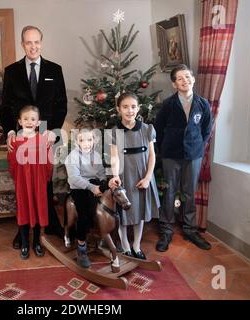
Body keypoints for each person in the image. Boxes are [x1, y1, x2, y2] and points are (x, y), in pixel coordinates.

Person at [0, 25, 68, 249]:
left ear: (42, 42)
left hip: (46, 131)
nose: (33, 46)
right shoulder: (11, 71)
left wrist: (53, 130)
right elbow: (5, 107)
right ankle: (24, 230)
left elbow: (61, 105)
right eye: (28, 42)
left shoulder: (55, 70)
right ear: (22, 45)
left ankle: (49, 224)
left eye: (36, 41)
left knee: (45, 182)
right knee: (24, 185)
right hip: (22, 133)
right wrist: (11, 131)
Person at [154, 64, 212, 252]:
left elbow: (206, 130)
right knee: (170, 191)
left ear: (193, 79)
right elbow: (158, 128)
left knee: (189, 192)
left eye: (187, 77)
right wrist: (164, 148)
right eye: (180, 78)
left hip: (193, 155)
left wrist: (197, 147)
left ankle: (190, 229)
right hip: (171, 154)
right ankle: (166, 229)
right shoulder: (168, 104)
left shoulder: (203, 104)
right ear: (174, 84)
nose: (185, 80)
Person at [109, 93, 160, 260]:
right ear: (119, 109)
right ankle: (124, 245)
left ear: (138, 108)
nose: (129, 110)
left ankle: (136, 245)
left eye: (133, 107)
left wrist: (147, 178)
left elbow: (152, 156)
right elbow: (114, 156)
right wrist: (115, 175)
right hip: (124, 176)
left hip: (142, 177)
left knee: (140, 212)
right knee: (123, 213)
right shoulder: (115, 132)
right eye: (125, 107)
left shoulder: (147, 129)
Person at [7, 105, 54, 260]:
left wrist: (45, 179)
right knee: (24, 210)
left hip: (39, 182)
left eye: (32, 119)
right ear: (20, 121)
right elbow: (12, 163)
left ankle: (36, 242)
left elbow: (49, 163)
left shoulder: (44, 140)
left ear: (38, 122)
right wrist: (19, 178)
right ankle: (25, 243)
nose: (29, 121)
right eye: (25, 119)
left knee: (39, 209)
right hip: (22, 183)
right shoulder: (15, 141)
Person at [65, 125, 107, 268]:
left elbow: (101, 172)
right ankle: (81, 247)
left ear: (93, 140)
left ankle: (105, 238)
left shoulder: (95, 155)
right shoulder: (73, 157)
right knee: (84, 215)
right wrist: (92, 188)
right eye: (82, 140)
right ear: (77, 142)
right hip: (80, 187)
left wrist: (102, 184)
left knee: (108, 206)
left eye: (89, 140)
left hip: (94, 186)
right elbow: (74, 178)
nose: (87, 143)